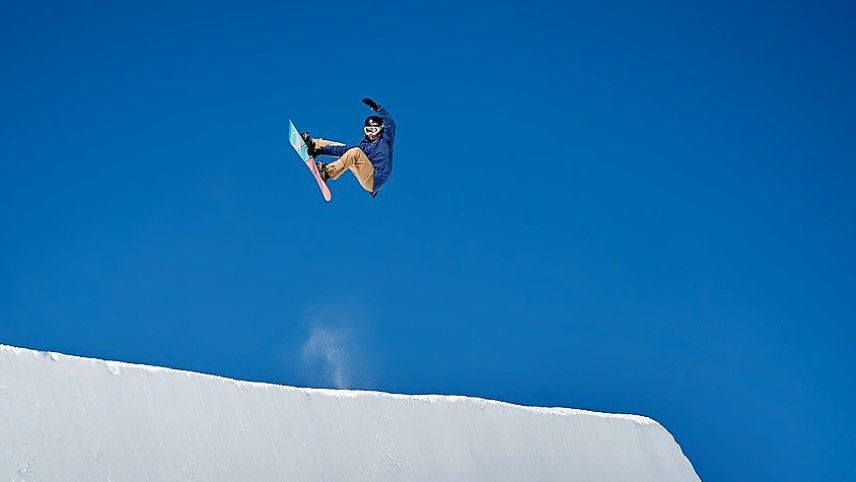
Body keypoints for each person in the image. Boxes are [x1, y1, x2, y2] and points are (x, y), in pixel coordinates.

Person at [301, 98, 396, 197]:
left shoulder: (386, 140)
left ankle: (328, 172)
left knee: (355, 152)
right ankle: (313, 144)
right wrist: (321, 150)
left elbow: (390, 123)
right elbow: (343, 150)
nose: (371, 134)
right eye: (368, 130)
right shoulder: (365, 144)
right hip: (365, 170)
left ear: (380, 129)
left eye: (373, 130)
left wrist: (377, 108)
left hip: (374, 179)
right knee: (344, 148)